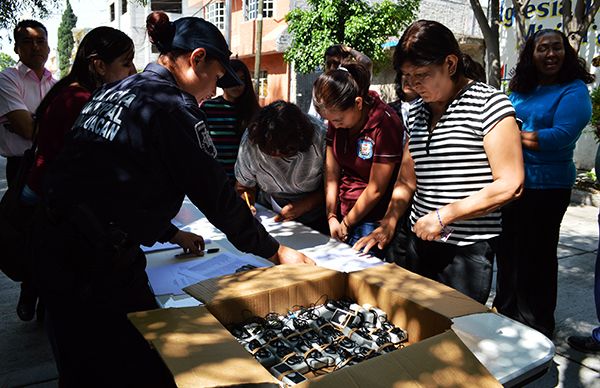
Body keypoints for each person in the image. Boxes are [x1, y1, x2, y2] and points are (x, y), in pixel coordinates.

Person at [31, 12, 313, 386]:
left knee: (80, 368)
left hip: (54, 250)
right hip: (94, 267)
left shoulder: (114, 91)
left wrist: (167, 231)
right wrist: (275, 252)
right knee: (143, 367)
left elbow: (107, 184)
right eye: (215, 78)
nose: (214, 91)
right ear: (196, 59)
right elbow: (215, 194)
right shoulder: (171, 106)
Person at [354, 20, 524, 304]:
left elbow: (511, 184)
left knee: (456, 334)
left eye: (422, 74)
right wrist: (390, 221)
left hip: (465, 251)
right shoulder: (418, 111)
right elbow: (407, 179)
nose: (413, 84)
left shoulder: (490, 104)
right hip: (418, 241)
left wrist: (444, 216)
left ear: (450, 63)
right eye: (407, 75)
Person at [493, 29, 594, 338]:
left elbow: (560, 136)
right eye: (542, 49)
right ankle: (505, 313)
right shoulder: (522, 87)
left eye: (557, 48)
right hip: (511, 182)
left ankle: (537, 325)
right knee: (508, 253)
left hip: (548, 188)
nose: (550, 54)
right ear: (531, 54)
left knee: (537, 256)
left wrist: (509, 137)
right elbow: (501, 119)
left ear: (566, 53)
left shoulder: (573, 90)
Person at [313, 61, 404, 259]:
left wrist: (347, 223)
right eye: (330, 122)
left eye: (338, 120)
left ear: (358, 103)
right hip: (341, 213)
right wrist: (331, 215)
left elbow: (376, 188)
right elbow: (332, 170)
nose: (334, 126)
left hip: (372, 220)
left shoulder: (386, 123)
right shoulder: (336, 119)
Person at [0, 20, 55, 322]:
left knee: (51, 233)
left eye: (40, 40)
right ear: (16, 47)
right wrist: (45, 125)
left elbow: (42, 128)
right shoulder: (7, 79)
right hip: (22, 167)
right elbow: (24, 127)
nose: (36, 46)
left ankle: (42, 293)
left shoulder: (54, 83)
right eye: (27, 41)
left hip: (51, 164)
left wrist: (37, 124)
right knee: (26, 232)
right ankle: (30, 290)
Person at [235, 100, 327, 233]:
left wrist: (305, 205)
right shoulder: (252, 140)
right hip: (269, 217)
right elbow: (243, 186)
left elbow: (334, 186)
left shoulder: (319, 137)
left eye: (285, 152)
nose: (275, 155)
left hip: (315, 219)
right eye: (269, 151)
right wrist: (247, 204)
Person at [201, 59, 260, 179]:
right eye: (232, 79)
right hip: (215, 181)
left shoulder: (255, 112)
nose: (237, 84)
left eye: (242, 80)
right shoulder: (208, 108)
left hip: (247, 184)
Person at [307, 44, 372, 121]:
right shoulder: (322, 85)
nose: (331, 68)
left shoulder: (353, 80)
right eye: (328, 64)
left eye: (335, 63)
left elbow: (367, 62)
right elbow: (313, 117)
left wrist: (349, 49)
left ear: (344, 63)